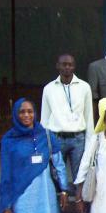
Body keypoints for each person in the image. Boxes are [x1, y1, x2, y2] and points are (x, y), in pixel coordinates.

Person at [41, 54, 94, 190]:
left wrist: (90, 141)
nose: (67, 67)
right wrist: (44, 144)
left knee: (81, 175)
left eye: (70, 64)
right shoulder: (49, 88)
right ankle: (58, 208)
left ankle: (80, 205)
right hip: (56, 138)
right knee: (56, 175)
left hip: (78, 138)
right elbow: (44, 119)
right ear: (57, 66)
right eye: (64, 64)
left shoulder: (84, 87)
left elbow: (89, 117)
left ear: (74, 66)